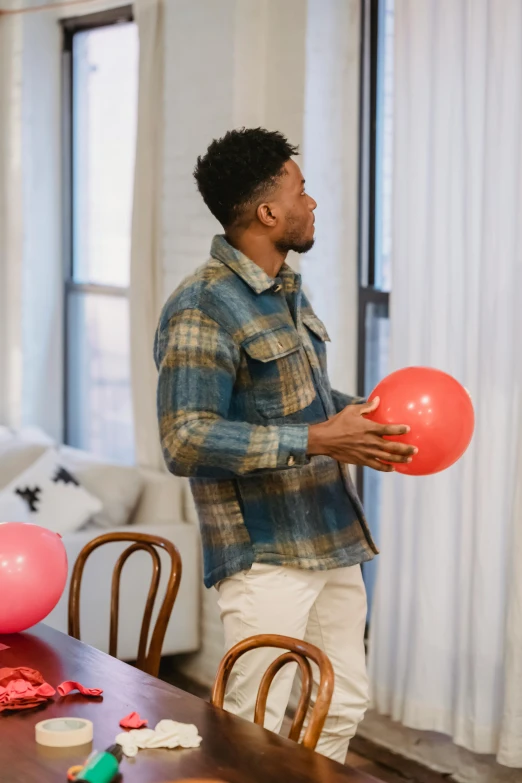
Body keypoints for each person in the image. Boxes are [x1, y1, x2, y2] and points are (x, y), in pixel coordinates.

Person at [154, 128, 416, 763]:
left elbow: (302, 399)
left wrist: (368, 418)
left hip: (328, 533)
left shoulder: (284, 294)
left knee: (343, 701)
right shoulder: (202, 305)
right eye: (302, 189)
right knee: (254, 722)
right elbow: (184, 438)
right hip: (264, 550)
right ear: (268, 212)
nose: (313, 203)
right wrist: (320, 438)